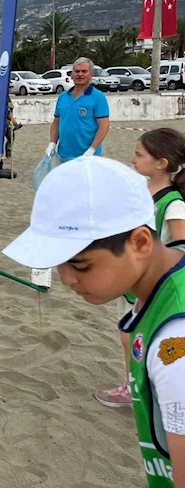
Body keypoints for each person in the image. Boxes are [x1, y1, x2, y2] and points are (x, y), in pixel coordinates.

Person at [3, 157, 185, 488]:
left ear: (140, 242)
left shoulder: (176, 344)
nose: (67, 279)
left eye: (82, 266)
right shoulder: (166, 279)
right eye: (59, 264)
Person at [95, 127, 185, 408]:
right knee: (127, 337)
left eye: (139, 154)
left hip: (155, 289)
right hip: (131, 280)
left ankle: (142, 390)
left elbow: (180, 249)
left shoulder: (173, 204)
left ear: (162, 163)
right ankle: (134, 386)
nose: (133, 160)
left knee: (140, 340)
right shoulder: (142, 190)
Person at [47, 57, 110, 163]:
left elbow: (104, 126)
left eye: (84, 71)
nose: (80, 74)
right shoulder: (63, 97)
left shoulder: (98, 97)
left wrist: (92, 149)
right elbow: (56, 123)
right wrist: (52, 143)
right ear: (71, 75)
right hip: (64, 155)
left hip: (88, 156)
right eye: (76, 71)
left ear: (91, 75)